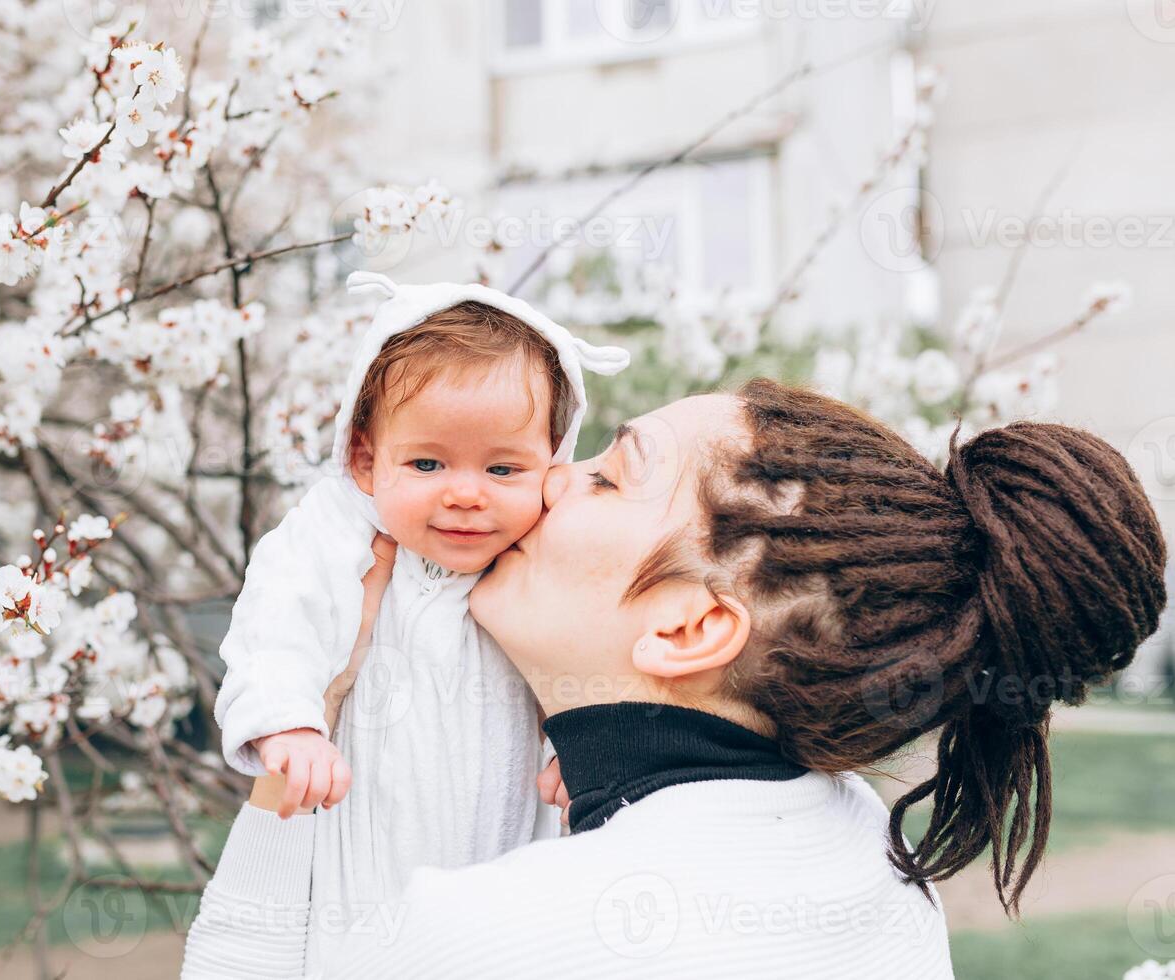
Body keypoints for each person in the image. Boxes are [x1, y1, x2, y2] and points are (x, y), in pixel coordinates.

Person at [181, 378, 1167, 978]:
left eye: (608, 475)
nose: (551, 477)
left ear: (691, 625)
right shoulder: (869, 860)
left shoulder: (480, 936)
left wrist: (306, 736)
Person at [211, 269, 630, 966]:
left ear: (552, 464)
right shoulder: (335, 535)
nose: (466, 495)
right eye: (429, 463)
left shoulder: (544, 558)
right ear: (366, 459)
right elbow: (276, 623)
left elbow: (587, 664)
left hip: (503, 864)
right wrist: (291, 722)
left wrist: (580, 748)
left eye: (504, 470)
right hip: (358, 870)